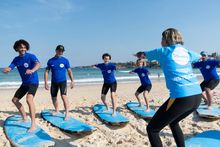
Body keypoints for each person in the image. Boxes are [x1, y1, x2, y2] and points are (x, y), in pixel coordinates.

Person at [135, 28, 202, 147]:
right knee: (173, 122)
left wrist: (137, 54)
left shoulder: (163, 51)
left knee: (152, 129)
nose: (160, 41)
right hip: (197, 96)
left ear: (166, 40)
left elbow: (142, 55)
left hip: (182, 97)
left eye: (162, 38)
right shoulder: (187, 51)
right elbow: (199, 56)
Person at [2, 39, 40, 132]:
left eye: (24, 47)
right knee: (15, 100)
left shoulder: (31, 56)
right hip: (25, 83)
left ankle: (33, 124)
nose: (23, 49)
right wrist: (7, 70)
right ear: (17, 48)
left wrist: (32, 70)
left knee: (29, 99)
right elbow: (11, 66)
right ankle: (24, 118)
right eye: (20, 47)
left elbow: (38, 64)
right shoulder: (16, 59)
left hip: (33, 82)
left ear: (26, 48)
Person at [44, 45, 74, 121]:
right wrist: (46, 83)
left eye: (62, 51)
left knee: (64, 96)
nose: (61, 52)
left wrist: (72, 81)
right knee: (53, 97)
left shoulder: (65, 60)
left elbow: (69, 71)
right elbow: (47, 72)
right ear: (56, 50)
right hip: (54, 82)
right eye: (59, 50)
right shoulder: (50, 61)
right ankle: (57, 110)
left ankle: (67, 113)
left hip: (62, 82)